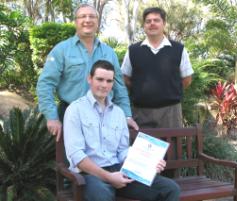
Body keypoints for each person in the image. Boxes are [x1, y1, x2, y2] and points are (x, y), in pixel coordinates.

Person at [64, 60, 180, 201]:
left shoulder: (118, 113)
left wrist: (149, 163)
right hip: (88, 174)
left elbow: (123, 151)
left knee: (169, 189)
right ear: (90, 79)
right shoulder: (75, 110)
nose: (104, 85)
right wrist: (109, 177)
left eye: (109, 81)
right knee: (102, 196)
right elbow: (77, 156)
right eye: (99, 79)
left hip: (119, 170)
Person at [36, 4, 138, 142]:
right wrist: (52, 117)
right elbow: (45, 84)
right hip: (71, 115)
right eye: (83, 16)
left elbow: (119, 86)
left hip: (105, 115)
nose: (87, 20)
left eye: (92, 16)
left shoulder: (109, 52)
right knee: (73, 161)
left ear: (98, 21)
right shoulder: (61, 50)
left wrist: (126, 115)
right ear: (76, 21)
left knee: (106, 159)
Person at [121, 7, 194, 128]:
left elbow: (187, 79)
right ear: (144, 25)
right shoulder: (133, 50)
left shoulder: (179, 49)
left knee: (172, 147)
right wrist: (141, 91)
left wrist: (169, 91)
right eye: (148, 21)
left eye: (156, 20)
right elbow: (125, 78)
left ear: (164, 23)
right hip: (141, 112)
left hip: (171, 112)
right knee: (140, 147)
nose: (152, 23)